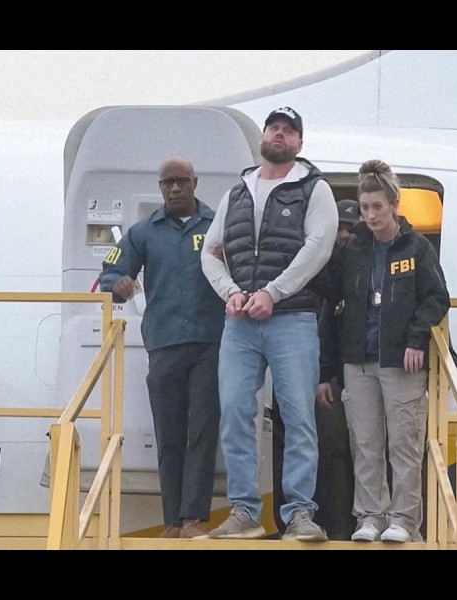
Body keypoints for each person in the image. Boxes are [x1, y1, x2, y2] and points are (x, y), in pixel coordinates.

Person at [201, 107, 338, 542]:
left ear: (300, 143)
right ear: (263, 136)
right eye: (274, 127)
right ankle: (244, 511)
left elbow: (318, 247)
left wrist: (272, 293)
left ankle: (299, 513)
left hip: (293, 319)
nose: (280, 134)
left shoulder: (314, 189)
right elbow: (209, 252)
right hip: (240, 322)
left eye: (289, 131)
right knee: (235, 413)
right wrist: (231, 292)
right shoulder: (236, 193)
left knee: (297, 416)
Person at [99, 156, 225, 539]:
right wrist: (119, 283)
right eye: (167, 182)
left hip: (209, 343)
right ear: (160, 187)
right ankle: (172, 521)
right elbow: (110, 272)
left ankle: (193, 520)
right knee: (169, 436)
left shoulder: (218, 226)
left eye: (181, 181)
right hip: (164, 344)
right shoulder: (143, 232)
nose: (174, 188)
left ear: (195, 182)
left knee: (202, 431)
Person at [335, 159, 453, 543]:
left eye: (377, 207)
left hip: (400, 360)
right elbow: (333, 292)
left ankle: (403, 517)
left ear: (394, 204)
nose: (370, 215)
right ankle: (370, 515)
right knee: (365, 442)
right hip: (359, 359)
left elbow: (436, 297)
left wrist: (416, 339)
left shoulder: (416, 247)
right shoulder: (354, 247)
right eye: (365, 207)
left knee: (404, 443)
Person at [271, 199, 360, 540]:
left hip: (351, 378)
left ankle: (347, 528)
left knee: (350, 455)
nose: (345, 235)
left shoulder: (362, 269)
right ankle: (325, 527)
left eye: (352, 229)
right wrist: (324, 375)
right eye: (340, 228)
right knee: (322, 453)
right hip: (320, 378)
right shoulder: (318, 271)